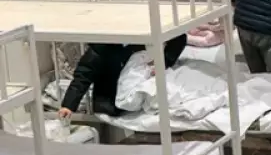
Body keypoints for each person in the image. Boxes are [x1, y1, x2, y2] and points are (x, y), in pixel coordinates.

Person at [58, 36, 188, 119]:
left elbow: (180, 37)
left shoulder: (139, 37)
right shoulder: (101, 47)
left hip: (140, 79)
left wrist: (163, 62)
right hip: (113, 97)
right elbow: (83, 75)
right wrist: (68, 105)